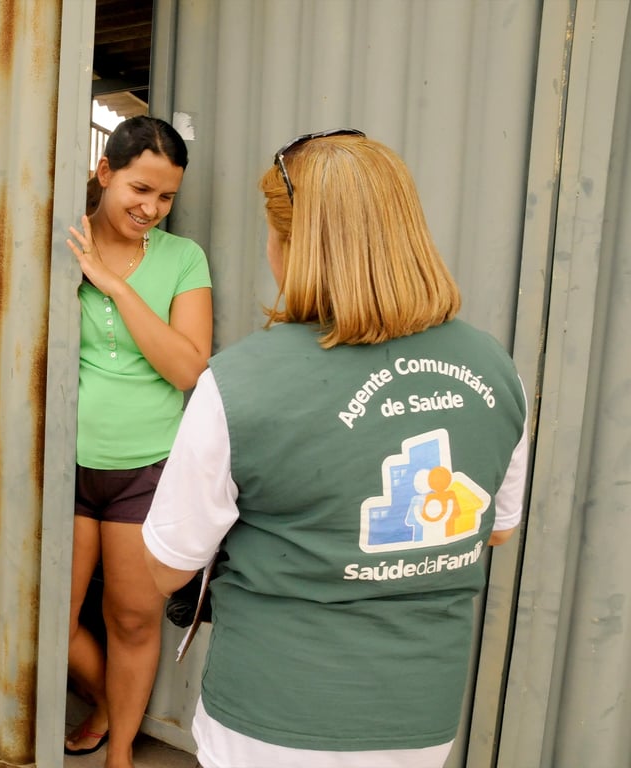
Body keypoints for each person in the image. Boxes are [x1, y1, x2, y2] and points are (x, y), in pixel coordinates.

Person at [141, 130, 529, 768]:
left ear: (291, 243)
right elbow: (494, 530)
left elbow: (166, 568)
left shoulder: (237, 383)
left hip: (269, 714)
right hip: (418, 719)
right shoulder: (495, 367)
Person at [63, 115, 213, 767]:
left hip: (146, 471)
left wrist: (117, 288)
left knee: (131, 621)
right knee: (54, 619)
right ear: (105, 173)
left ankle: (120, 749)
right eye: (140, 190)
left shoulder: (184, 259)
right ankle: (107, 700)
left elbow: (187, 368)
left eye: (166, 196)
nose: (151, 208)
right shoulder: (61, 242)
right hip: (63, 466)